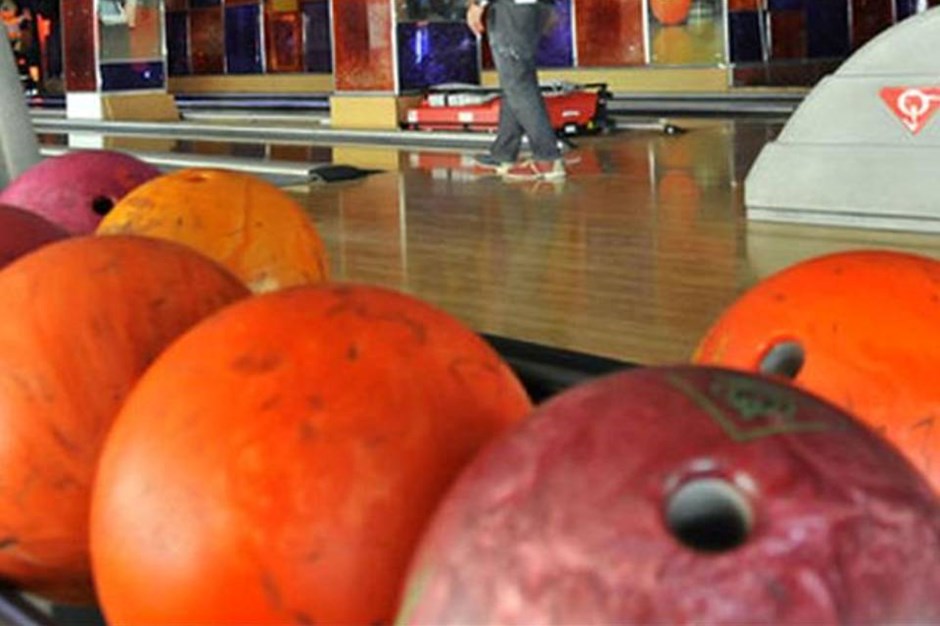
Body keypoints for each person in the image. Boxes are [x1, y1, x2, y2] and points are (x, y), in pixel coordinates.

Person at [466, 0, 566, 181]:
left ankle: (548, 159)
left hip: (512, 9)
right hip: (533, 7)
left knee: (518, 83)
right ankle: (503, 153)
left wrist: (477, 4)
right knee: (516, 81)